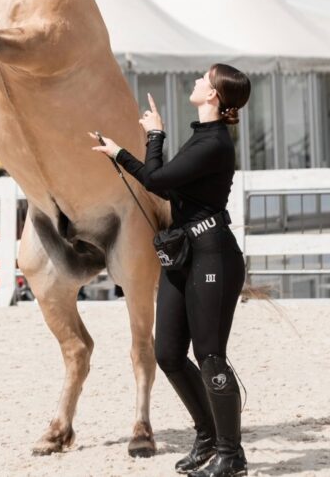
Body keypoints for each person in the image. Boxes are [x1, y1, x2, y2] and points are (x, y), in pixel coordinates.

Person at [91, 64, 251, 477]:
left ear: (213, 94)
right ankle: (207, 436)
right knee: (168, 354)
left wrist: (155, 135)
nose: (197, 80)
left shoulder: (214, 143)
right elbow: (160, 179)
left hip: (213, 255)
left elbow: (158, 181)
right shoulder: (201, 137)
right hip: (184, 254)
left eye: (204, 79)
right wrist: (120, 153)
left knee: (210, 356)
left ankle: (231, 453)